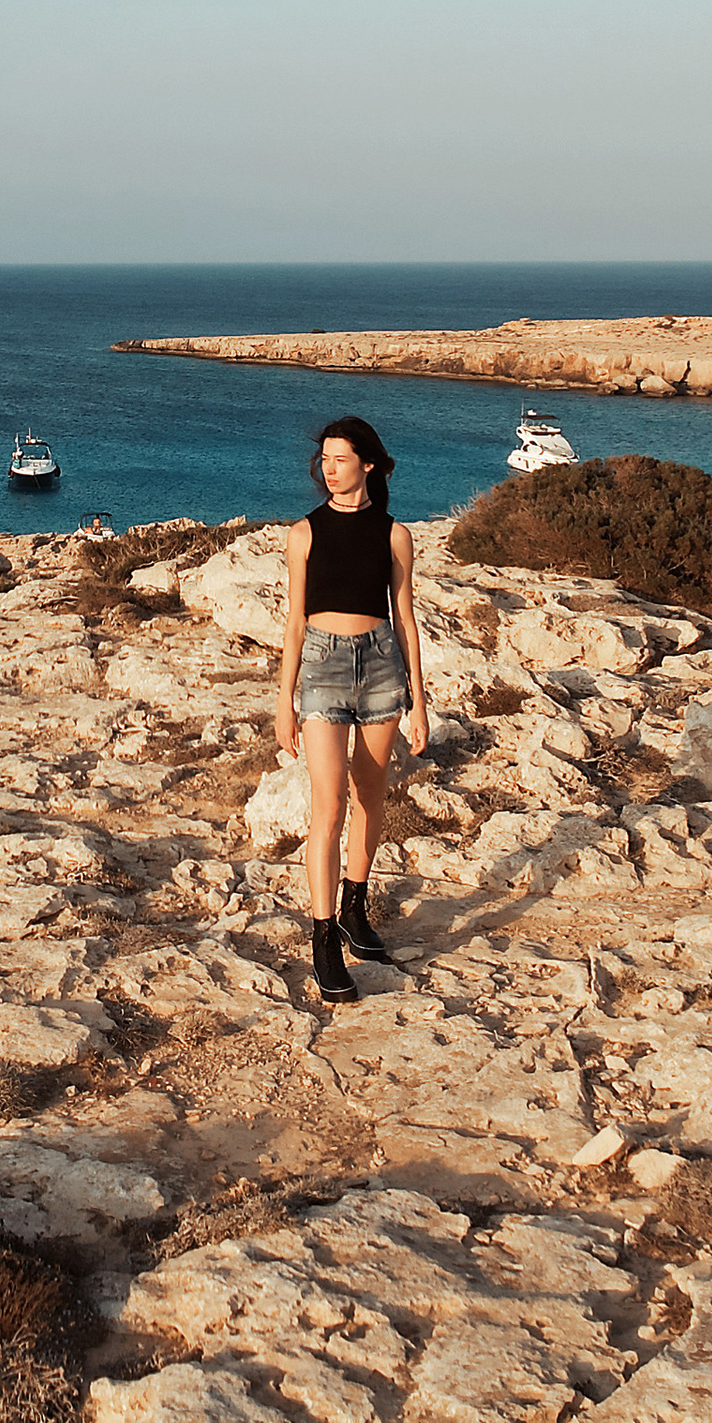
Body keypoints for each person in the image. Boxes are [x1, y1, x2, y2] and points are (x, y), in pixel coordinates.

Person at [274, 415, 429, 1005]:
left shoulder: (394, 535)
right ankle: (323, 939)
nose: (330, 469)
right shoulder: (304, 533)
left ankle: (354, 910)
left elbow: (405, 620)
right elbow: (294, 625)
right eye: (325, 460)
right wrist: (284, 703)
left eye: (341, 459)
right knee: (329, 804)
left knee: (370, 796)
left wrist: (419, 701)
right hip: (323, 668)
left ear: (368, 463)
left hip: (382, 667)